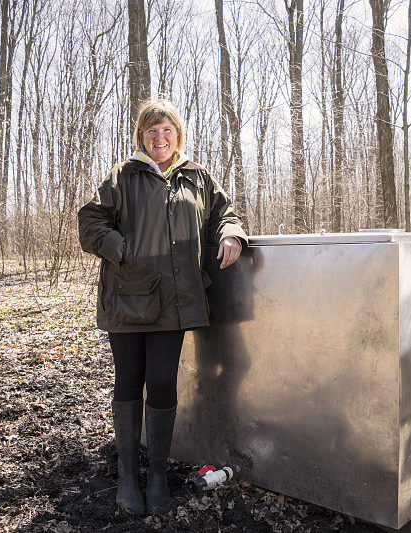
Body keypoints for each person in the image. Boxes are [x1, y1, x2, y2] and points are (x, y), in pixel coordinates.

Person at [77, 99, 247, 514]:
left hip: (173, 300)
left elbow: (226, 213)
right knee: (130, 380)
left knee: (164, 383)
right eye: (151, 131)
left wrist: (230, 235)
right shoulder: (123, 176)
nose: (159, 138)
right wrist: (124, 249)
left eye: (167, 130)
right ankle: (127, 476)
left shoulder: (197, 177)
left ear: (178, 135)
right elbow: (90, 222)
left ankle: (156, 475)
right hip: (128, 299)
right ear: (141, 136)